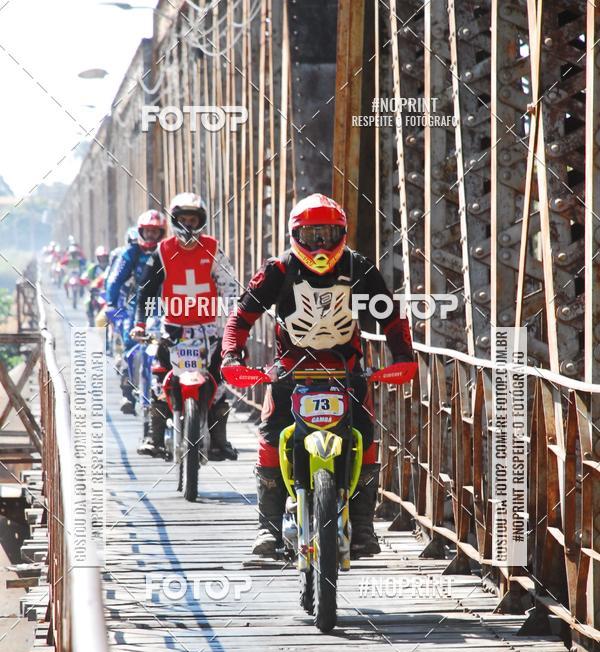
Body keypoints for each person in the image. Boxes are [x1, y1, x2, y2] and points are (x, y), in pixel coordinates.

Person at [221, 192, 414, 559]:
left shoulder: (359, 267)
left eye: (327, 234)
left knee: (366, 437)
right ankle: (268, 528)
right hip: (289, 373)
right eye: (311, 236)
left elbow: (391, 317)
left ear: (341, 232)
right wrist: (231, 354)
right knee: (270, 438)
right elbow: (241, 317)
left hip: (347, 372)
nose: (320, 244)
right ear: (295, 235)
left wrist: (403, 355)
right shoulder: (277, 270)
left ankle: (363, 528)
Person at [131, 192, 238, 461]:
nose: (188, 225)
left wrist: (234, 322)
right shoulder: (164, 251)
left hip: (208, 328)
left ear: (201, 221)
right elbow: (146, 290)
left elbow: (229, 287)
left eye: (193, 219)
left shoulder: (213, 248)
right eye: (183, 219)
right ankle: (153, 437)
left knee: (218, 379)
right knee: (160, 378)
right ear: (175, 220)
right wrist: (141, 324)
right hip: (172, 328)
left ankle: (219, 441)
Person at [106, 211, 167, 413]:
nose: (150, 235)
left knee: (170, 344)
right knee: (130, 343)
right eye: (147, 231)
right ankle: (128, 393)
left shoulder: (168, 250)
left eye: (155, 232)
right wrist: (111, 303)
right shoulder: (131, 253)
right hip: (137, 305)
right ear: (141, 231)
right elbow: (115, 279)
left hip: (165, 305)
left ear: (162, 233)